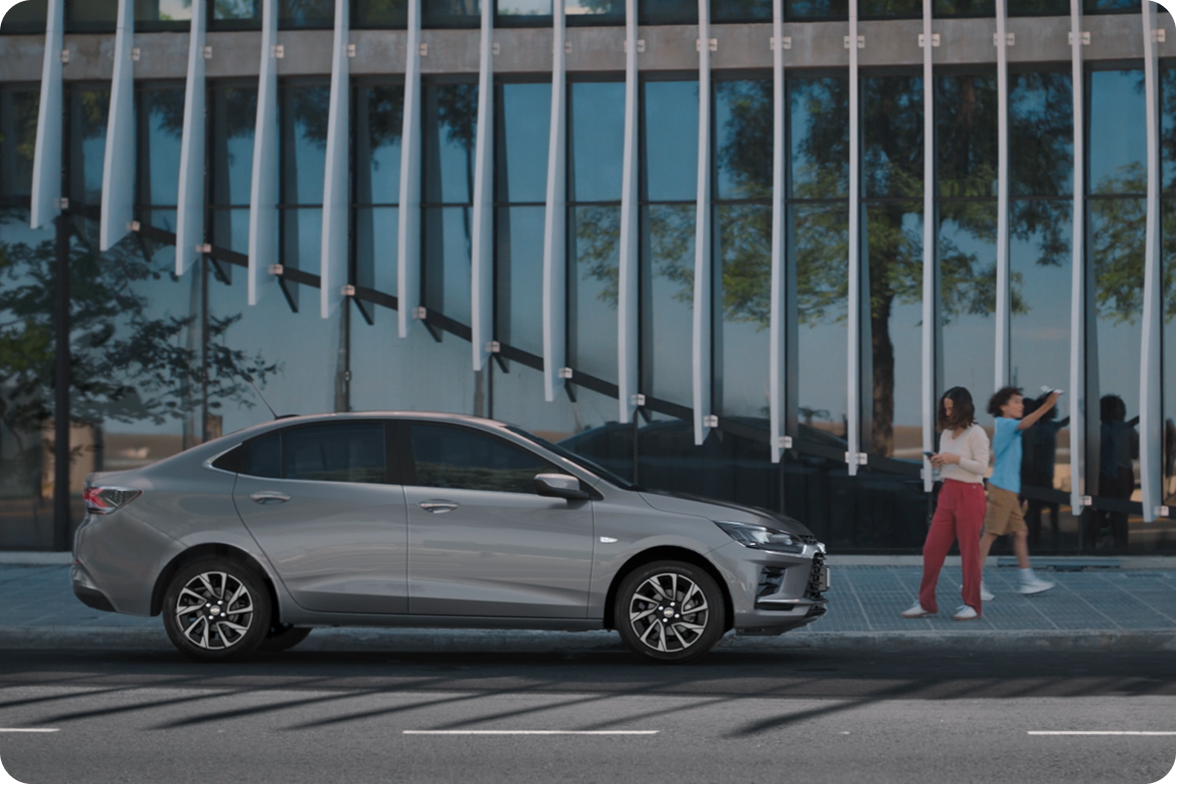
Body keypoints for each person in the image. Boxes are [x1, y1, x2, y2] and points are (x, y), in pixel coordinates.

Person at [903, 387, 989, 621]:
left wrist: (955, 459)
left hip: (970, 494)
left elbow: (982, 467)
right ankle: (926, 602)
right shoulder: (946, 434)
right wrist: (940, 462)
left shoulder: (977, 433)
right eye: (946, 408)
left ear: (963, 407)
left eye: (952, 408)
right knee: (931, 549)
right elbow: (951, 465)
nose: (948, 412)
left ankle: (972, 604)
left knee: (969, 552)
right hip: (948, 492)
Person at [977, 386, 1060, 598]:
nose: (1021, 406)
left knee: (1021, 533)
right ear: (1003, 407)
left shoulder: (1010, 426)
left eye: (1021, 401)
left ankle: (1027, 580)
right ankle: (972, 582)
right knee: (990, 534)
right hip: (1002, 488)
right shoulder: (1006, 424)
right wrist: (1047, 405)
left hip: (1009, 489)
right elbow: (1025, 423)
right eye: (1016, 401)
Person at [1089, 394, 1139, 550]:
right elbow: (1135, 454)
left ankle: (1090, 543)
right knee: (1122, 514)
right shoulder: (1129, 431)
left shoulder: (1098, 431)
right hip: (1124, 473)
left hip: (1102, 474)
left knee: (1099, 511)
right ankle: (1122, 544)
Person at [1020, 393, 1069, 547]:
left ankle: (1041, 538)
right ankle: (1039, 540)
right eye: (1052, 407)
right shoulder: (1039, 429)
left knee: (1039, 508)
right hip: (1039, 474)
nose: (1056, 410)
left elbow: (1063, 422)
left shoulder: (1049, 426)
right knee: (1037, 509)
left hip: (1045, 473)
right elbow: (1035, 451)